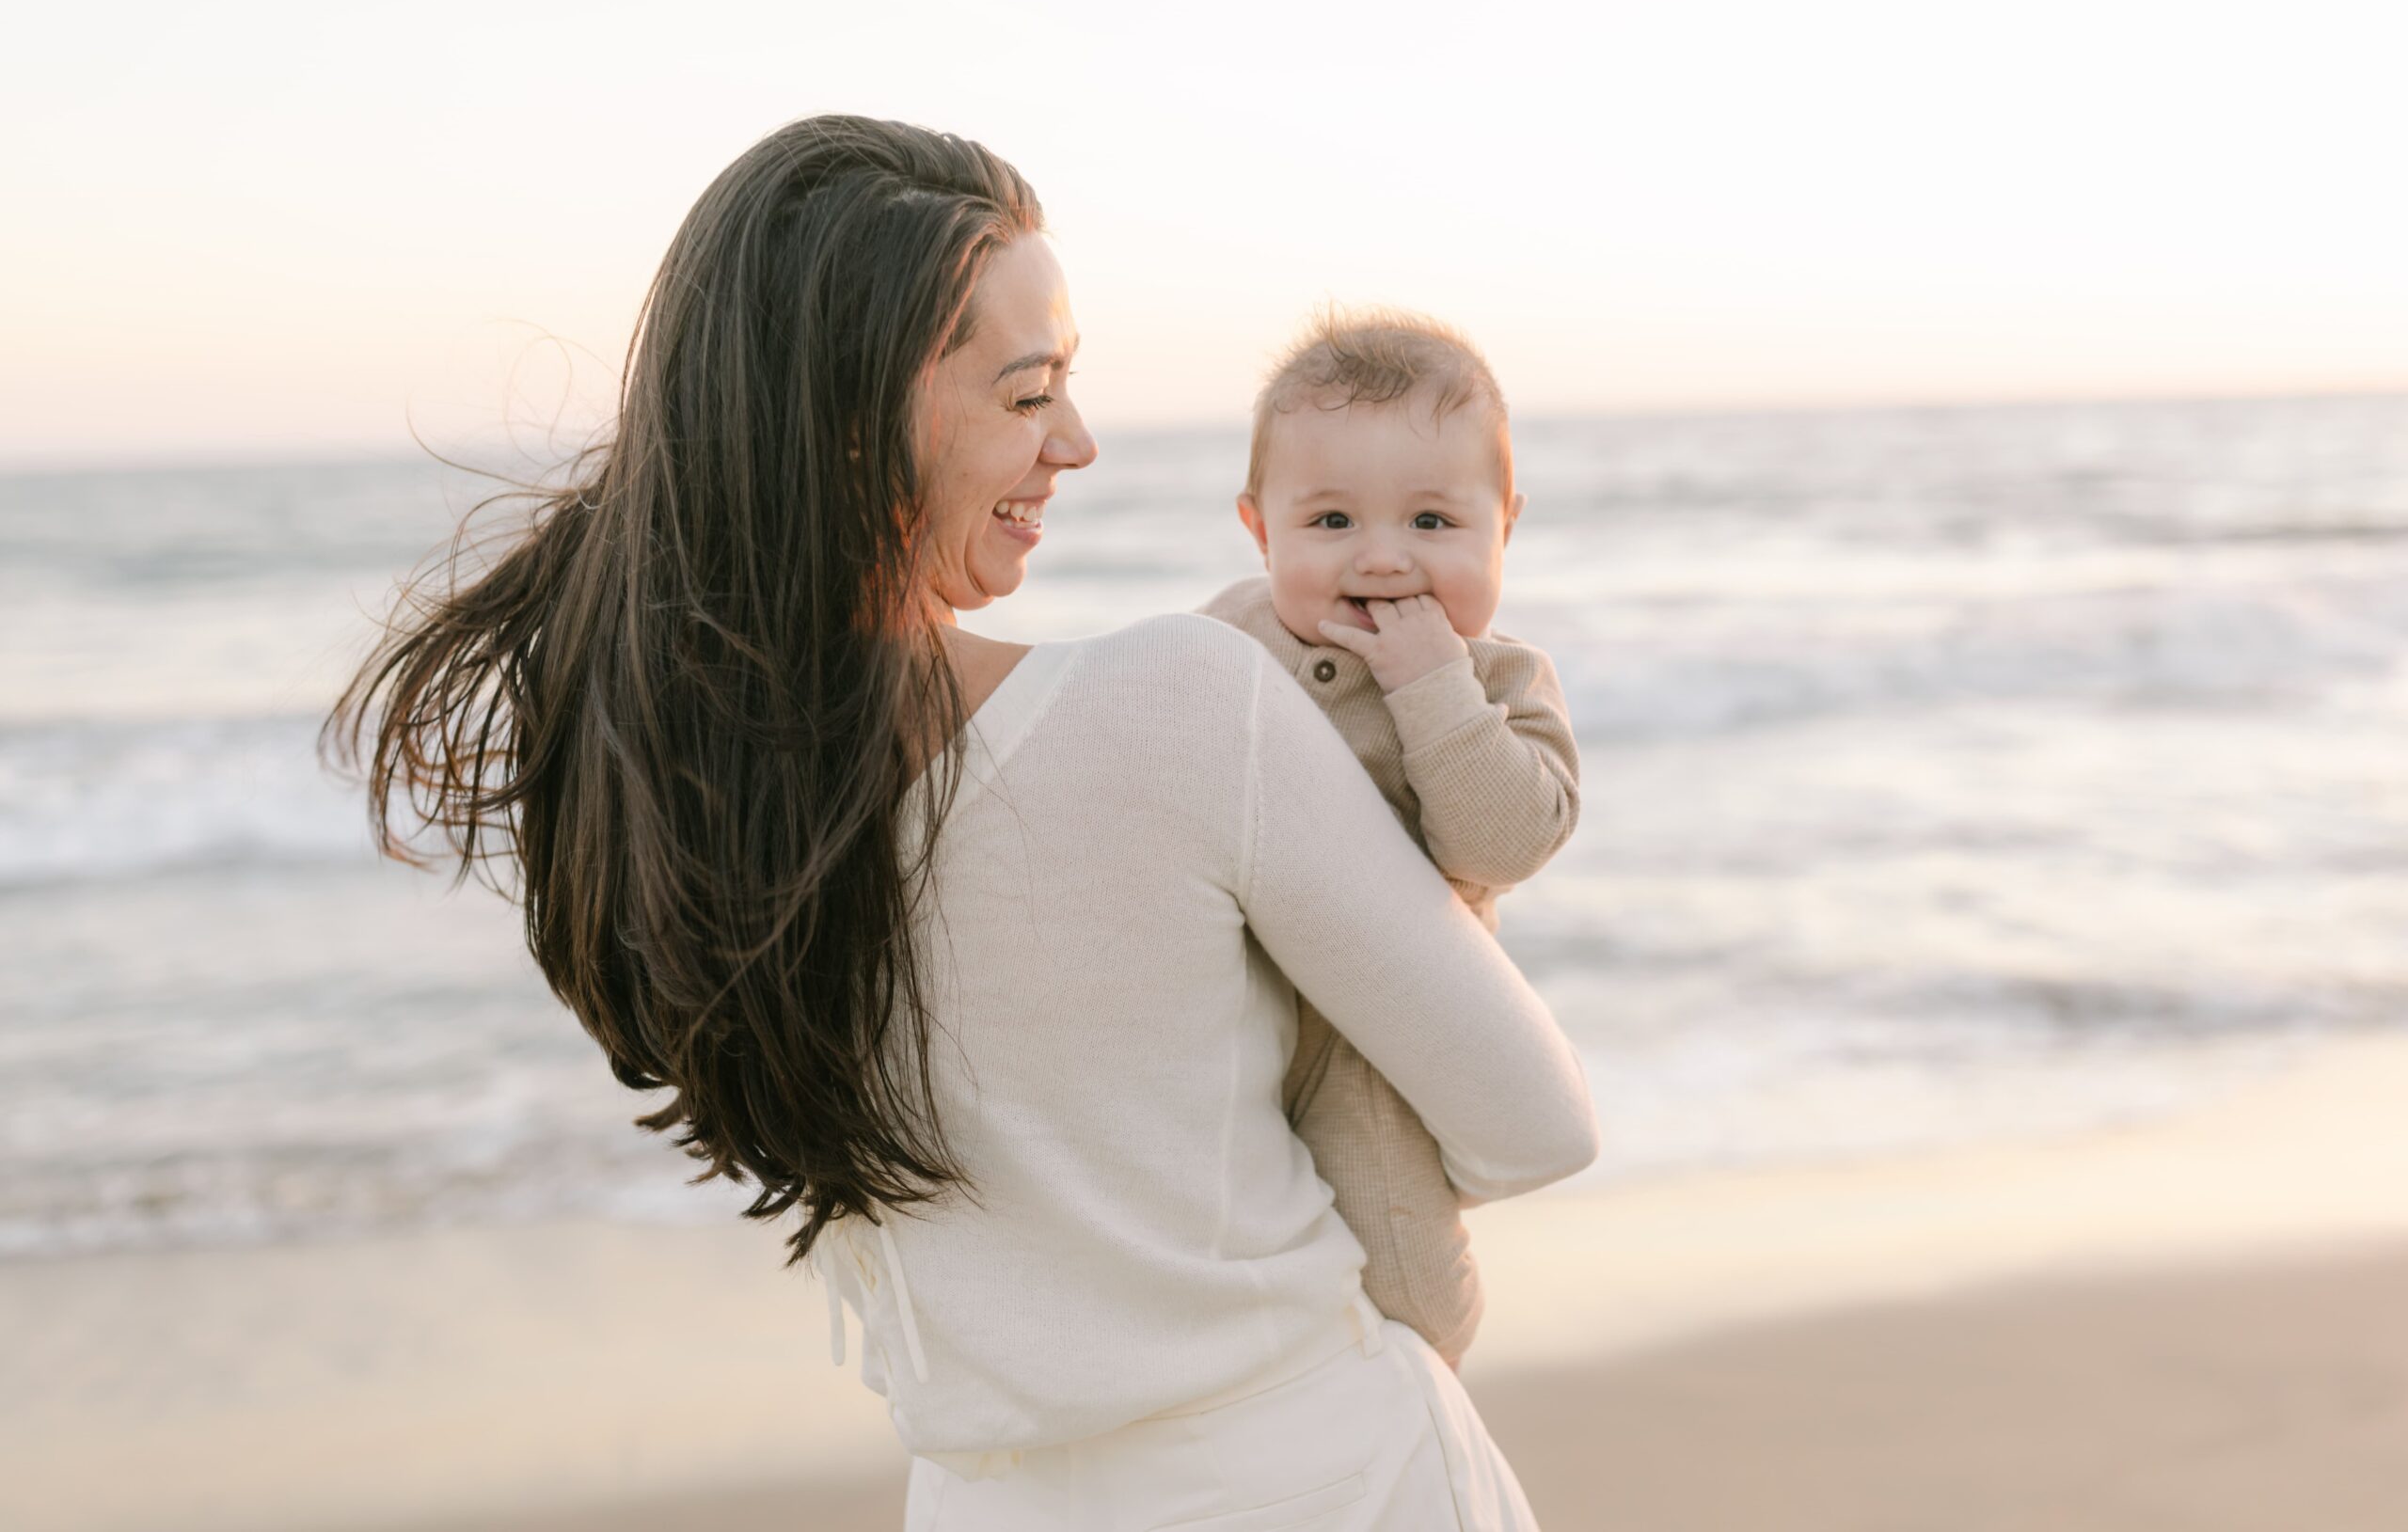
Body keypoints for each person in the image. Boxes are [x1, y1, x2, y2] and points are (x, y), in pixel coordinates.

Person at [328, 114, 1599, 1529]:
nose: (1078, 440)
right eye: (1026, 391)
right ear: (857, 420)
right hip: (1318, 1475)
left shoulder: (664, 809)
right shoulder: (1184, 700)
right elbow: (1533, 1122)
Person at [1200, 307, 1578, 1370]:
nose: (1382, 560)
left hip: (1382, 1040)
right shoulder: (1223, 641)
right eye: (1329, 524)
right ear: (1258, 527)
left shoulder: (1500, 683)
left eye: (1430, 523)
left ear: (1504, 521)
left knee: (1398, 1262)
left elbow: (1502, 843)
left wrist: (1431, 687)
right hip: (1222, 1008)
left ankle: (1414, 1404)